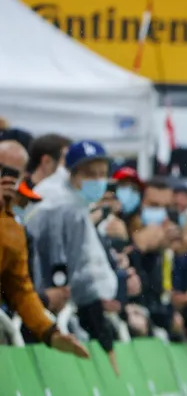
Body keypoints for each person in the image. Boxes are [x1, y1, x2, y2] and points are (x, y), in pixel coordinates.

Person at [25, 140, 121, 373]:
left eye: (102, 173)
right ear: (72, 173)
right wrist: (100, 328)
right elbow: (73, 270)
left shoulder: (68, 199)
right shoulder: (64, 206)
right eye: (89, 174)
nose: (97, 180)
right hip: (36, 302)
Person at [0, 140, 88, 357]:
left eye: (13, 174)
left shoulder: (12, 228)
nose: (6, 179)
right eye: (2, 170)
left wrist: (50, 332)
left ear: (23, 178)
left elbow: (20, 289)